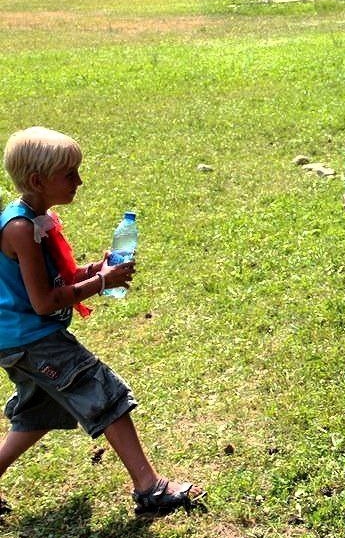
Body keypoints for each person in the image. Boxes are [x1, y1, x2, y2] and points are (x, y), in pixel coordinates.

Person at [0, 127, 206, 515]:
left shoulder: (36, 219)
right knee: (103, 391)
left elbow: (54, 280)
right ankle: (150, 488)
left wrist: (95, 269)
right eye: (70, 174)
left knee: (38, 413)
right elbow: (43, 302)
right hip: (33, 338)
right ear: (38, 181)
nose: (78, 181)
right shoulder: (21, 229)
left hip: (16, 339)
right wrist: (102, 283)